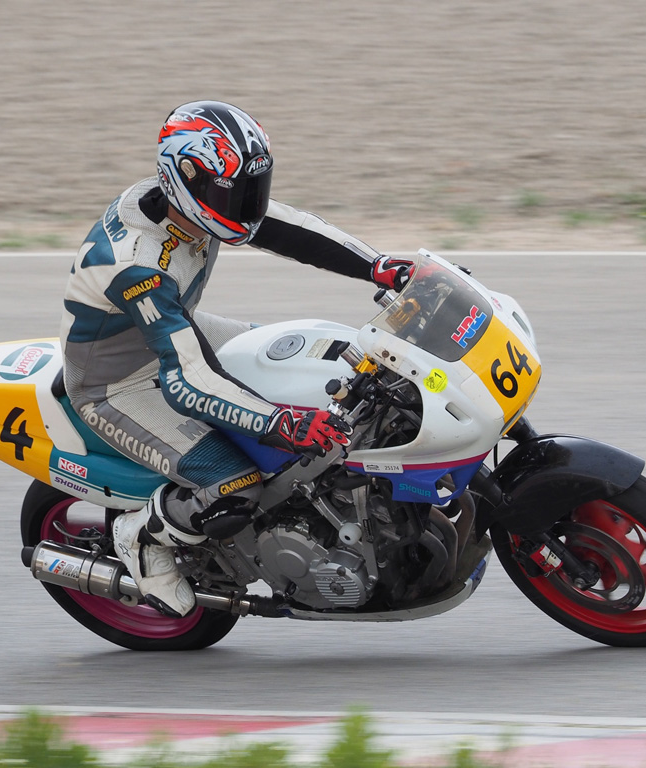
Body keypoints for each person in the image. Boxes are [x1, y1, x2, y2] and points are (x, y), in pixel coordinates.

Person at [60, 101, 413, 618]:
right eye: (234, 193)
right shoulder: (137, 263)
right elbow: (188, 381)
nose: (247, 206)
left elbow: (289, 228)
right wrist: (280, 421)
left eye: (253, 189)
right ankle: (143, 536)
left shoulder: (191, 202)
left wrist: (378, 266)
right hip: (120, 383)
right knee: (235, 483)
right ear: (185, 179)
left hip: (174, 328)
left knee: (329, 364)